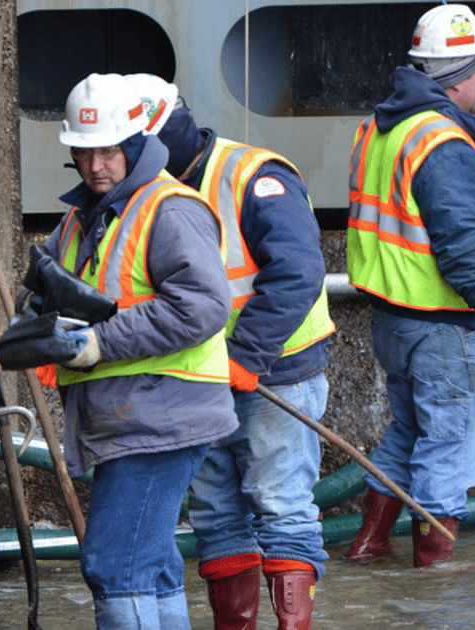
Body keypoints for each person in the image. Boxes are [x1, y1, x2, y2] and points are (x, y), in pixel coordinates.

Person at [125, 73, 335, 630]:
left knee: (280, 502)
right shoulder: (144, 190)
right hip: (195, 380)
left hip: (273, 373)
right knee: (216, 514)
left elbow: (298, 273)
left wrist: (246, 356)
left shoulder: (253, 176)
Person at [34, 73, 239, 630]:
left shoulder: (170, 210)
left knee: (114, 565)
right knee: (151, 565)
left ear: (135, 144)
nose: (97, 165)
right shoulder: (82, 218)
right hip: (131, 416)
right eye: (85, 153)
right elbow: (47, 293)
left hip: (162, 414)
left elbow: (200, 307)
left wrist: (100, 342)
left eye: (109, 151)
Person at [343, 3, 475, 568]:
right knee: (446, 450)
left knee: (409, 433)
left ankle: (368, 547)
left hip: (395, 320)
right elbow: (462, 246)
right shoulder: (443, 143)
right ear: (458, 77)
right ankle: (436, 583)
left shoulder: (385, 128)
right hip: (443, 325)